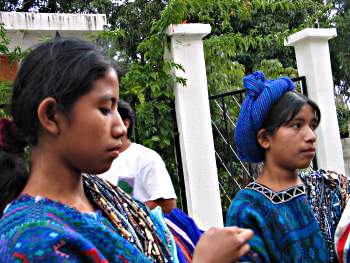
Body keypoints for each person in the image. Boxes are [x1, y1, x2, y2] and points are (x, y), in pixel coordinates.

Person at [0, 37, 254, 262]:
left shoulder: (101, 194)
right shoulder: (33, 242)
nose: (121, 129)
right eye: (104, 109)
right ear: (52, 116)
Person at [225, 71, 349, 262]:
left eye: (312, 125)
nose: (311, 136)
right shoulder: (248, 210)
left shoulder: (328, 188)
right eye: (297, 125)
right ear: (265, 138)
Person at [99, 100, 177, 214]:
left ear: (125, 124)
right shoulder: (92, 163)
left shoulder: (146, 158)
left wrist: (123, 214)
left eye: (105, 121)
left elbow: (168, 204)